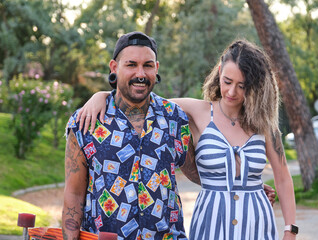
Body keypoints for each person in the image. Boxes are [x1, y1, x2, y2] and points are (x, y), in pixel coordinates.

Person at [76, 37, 288, 239]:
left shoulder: (264, 125)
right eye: (227, 81)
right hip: (210, 224)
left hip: (256, 223)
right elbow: (143, 99)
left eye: (241, 85)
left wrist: (288, 227)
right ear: (220, 73)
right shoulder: (198, 111)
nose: (232, 91)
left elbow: (283, 177)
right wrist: (103, 95)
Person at [62, 31, 195, 240]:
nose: (140, 74)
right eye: (131, 65)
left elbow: (194, 170)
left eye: (148, 65)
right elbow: (73, 194)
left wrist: (246, 184)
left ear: (157, 68)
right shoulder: (84, 123)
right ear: (114, 67)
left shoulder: (175, 118)